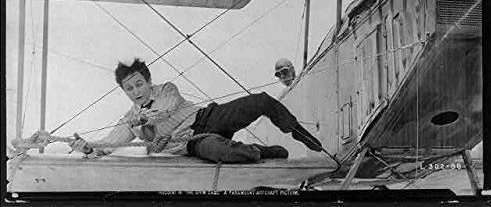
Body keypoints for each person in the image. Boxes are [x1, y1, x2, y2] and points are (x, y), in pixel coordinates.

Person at [64, 58, 323, 163]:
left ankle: (299, 131)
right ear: (124, 91)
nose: (135, 92)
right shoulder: (130, 120)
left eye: (139, 84)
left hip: (207, 117)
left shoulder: (166, 90)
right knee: (221, 152)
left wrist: (143, 120)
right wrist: (87, 147)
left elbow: (165, 111)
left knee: (260, 101)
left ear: (149, 81)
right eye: (129, 88)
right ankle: (259, 151)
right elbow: (110, 143)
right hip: (191, 142)